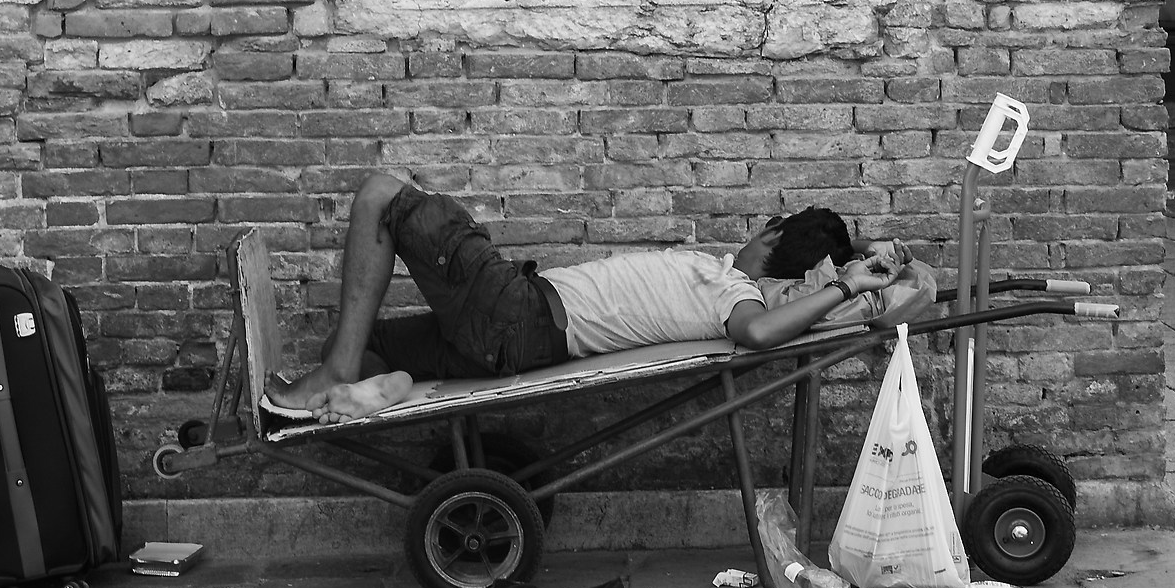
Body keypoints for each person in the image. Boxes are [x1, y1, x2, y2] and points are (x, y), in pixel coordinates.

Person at [265, 172, 892, 418]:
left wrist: (845, 283)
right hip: (510, 335)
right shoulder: (730, 282)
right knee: (374, 337)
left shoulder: (734, 289)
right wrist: (853, 261)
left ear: (773, 233)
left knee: (382, 195)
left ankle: (336, 376)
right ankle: (383, 382)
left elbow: (757, 333)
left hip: (518, 313)